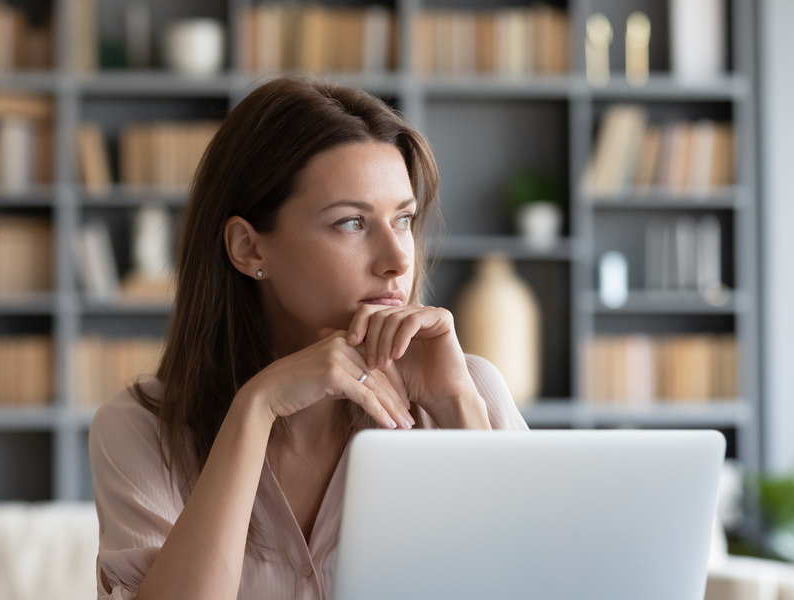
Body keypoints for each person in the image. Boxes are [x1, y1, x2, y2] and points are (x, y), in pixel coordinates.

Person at [89, 77, 529, 600]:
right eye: (350, 223)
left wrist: (457, 407)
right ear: (249, 249)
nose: (398, 261)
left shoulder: (468, 389)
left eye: (404, 219)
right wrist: (255, 409)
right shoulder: (141, 431)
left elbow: (541, 582)